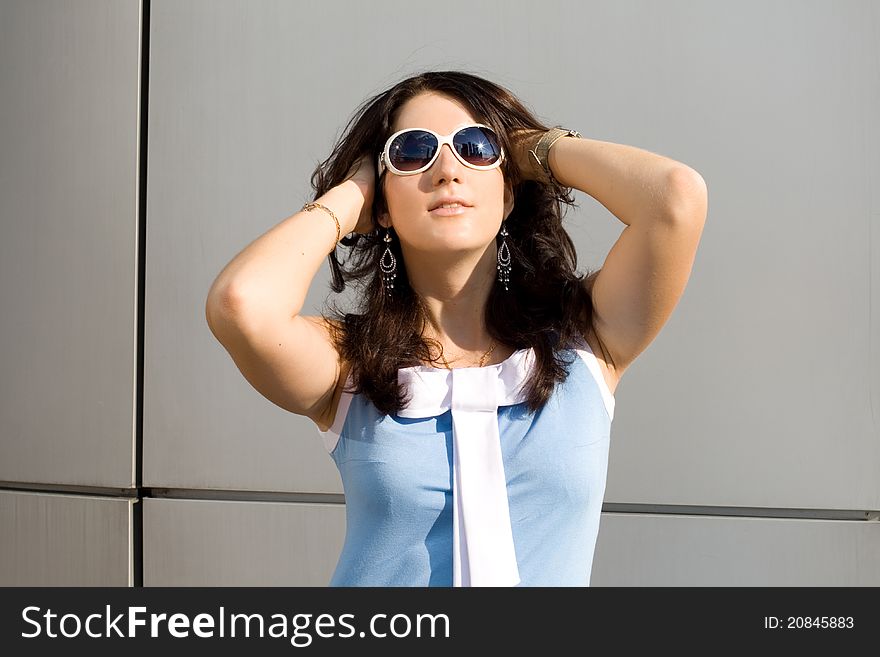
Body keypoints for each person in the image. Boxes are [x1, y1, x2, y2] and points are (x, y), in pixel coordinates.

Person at [205, 70, 708, 586]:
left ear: (509, 190)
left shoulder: (588, 339)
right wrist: (349, 197)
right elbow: (241, 304)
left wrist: (534, 148)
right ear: (382, 201)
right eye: (412, 152)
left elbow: (675, 197)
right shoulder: (347, 364)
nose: (447, 169)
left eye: (475, 146)